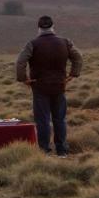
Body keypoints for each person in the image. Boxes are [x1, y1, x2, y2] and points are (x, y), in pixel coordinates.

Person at [16, 15, 82, 157]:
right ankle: (62, 151)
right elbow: (78, 57)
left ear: (38, 28)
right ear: (53, 27)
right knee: (60, 119)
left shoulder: (32, 44)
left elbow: (20, 62)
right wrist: (73, 74)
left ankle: (45, 151)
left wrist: (24, 79)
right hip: (59, 85)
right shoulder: (65, 42)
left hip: (40, 87)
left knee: (43, 120)